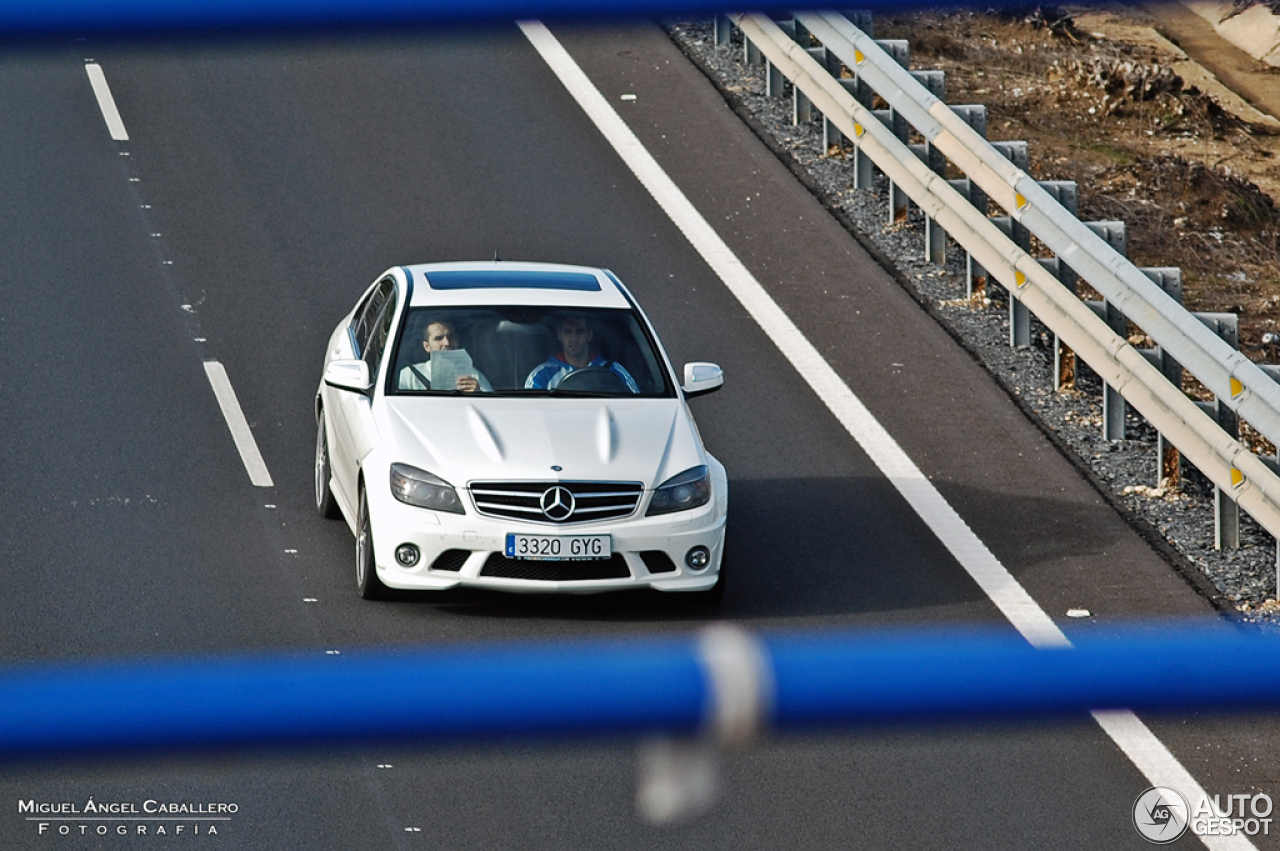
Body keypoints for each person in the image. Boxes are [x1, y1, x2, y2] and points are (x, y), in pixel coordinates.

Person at [524, 315, 639, 392]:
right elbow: (532, 413)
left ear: (589, 335)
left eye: (580, 332)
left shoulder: (614, 371)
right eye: (568, 332)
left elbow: (636, 405)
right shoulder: (541, 376)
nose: (573, 339)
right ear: (559, 335)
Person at [398, 318, 492, 392]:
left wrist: (478, 392)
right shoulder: (409, 375)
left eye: (451, 336)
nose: (447, 342)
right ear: (427, 346)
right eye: (439, 338)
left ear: (457, 340)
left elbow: (492, 406)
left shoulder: (472, 374)